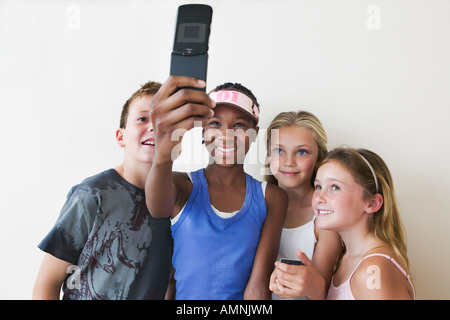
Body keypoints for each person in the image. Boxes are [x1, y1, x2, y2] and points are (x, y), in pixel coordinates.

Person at [146, 76, 288, 299]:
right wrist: (164, 154)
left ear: (255, 133)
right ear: (202, 130)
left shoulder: (271, 197)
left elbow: (258, 287)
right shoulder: (181, 185)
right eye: (215, 123)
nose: (226, 134)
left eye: (239, 125)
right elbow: (157, 208)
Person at [32, 81, 173, 300]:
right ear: (121, 136)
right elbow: (47, 282)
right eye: (143, 119)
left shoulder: (178, 203)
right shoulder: (92, 195)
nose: (154, 127)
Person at [313, 147, 415, 299]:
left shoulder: (371, 271)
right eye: (318, 186)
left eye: (335, 187)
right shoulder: (346, 260)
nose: (319, 198)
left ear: (372, 203)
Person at [266, 111, 342, 300]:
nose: (289, 162)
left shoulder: (324, 217)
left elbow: (319, 291)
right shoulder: (256, 204)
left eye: (301, 152)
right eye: (279, 150)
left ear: (318, 157)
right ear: (267, 155)